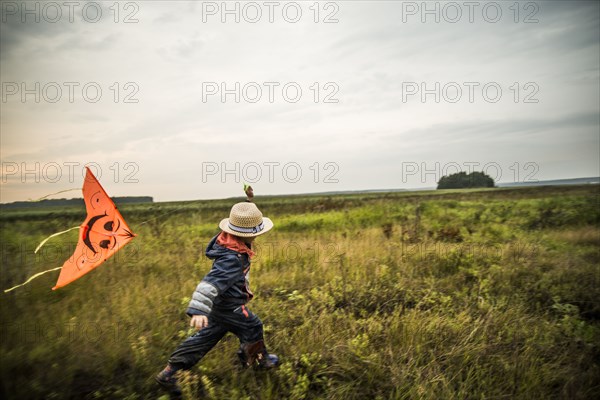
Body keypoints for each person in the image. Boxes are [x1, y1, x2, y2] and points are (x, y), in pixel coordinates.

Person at [155, 186, 278, 398]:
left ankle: (169, 373)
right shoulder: (232, 259)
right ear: (247, 235)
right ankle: (258, 361)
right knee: (253, 325)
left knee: (204, 339)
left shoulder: (229, 241)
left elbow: (244, 222)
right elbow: (210, 283)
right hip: (230, 307)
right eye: (255, 234)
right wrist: (198, 310)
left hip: (219, 307)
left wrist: (249, 201)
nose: (257, 237)